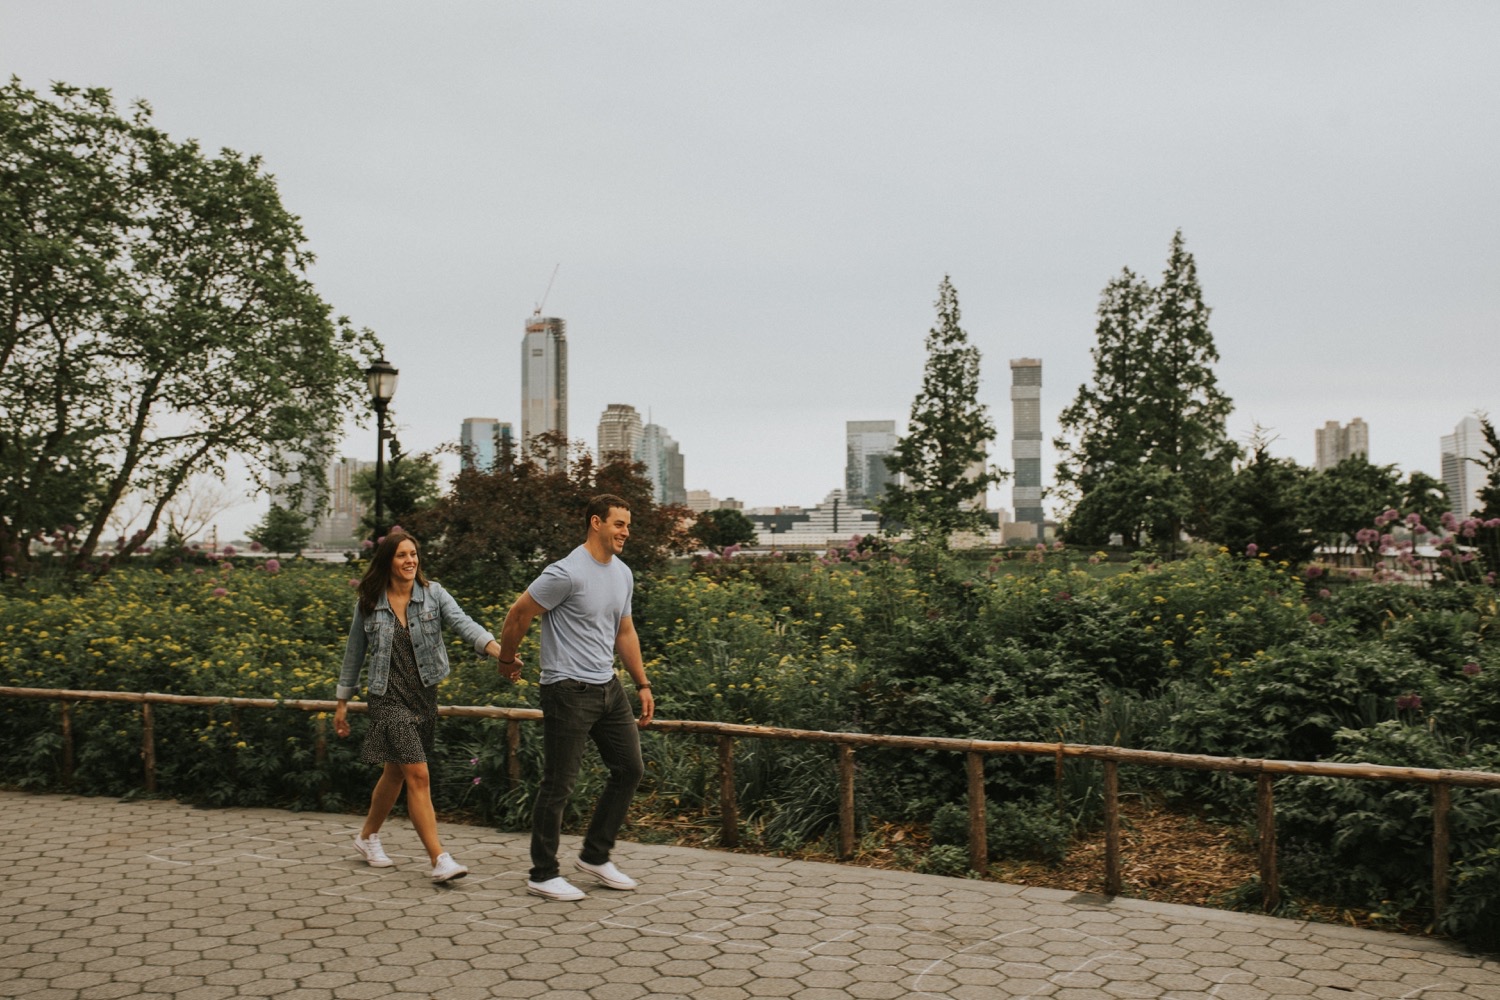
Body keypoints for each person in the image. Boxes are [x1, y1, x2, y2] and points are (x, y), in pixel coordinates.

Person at [495, 493, 655, 901]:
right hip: (566, 688)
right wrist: (507, 659)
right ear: (596, 522)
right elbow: (519, 613)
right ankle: (543, 873)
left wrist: (642, 683)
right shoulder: (565, 572)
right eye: (619, 524)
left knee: (629, 769)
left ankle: (595, 857)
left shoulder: (622, 574)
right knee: (559, 784)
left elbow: (625, 632)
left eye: (628, 525)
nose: (626, 532)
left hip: (608, 687)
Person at [334, 530, 505, 882]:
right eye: (401, 555)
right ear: (388, 561)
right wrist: (342, 702)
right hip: (387, 697)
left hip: (423, 696)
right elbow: (354, 652)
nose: (410, 560)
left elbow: (463, 623)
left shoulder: (433, 595)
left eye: (414, 554)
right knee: (418, 774)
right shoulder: (369, 601)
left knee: (395, 772)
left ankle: (367, 837)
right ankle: (439, 859)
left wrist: (499, 650)